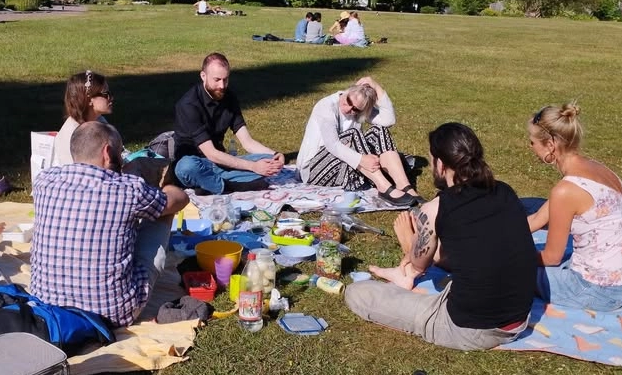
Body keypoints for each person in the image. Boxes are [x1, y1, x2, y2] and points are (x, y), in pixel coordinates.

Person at [344, 123, 536, 351]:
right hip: (518, 317)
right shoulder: (504, 191)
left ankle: (403, 285)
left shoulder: (435, 209)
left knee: (358, 293)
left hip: (471, 328)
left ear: (441, 164)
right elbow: (473, 251)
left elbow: (419, 264)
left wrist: (408, 239)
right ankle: (403, 280)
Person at [31, 121, 189, 328]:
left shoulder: (44, 181)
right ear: (107, 152)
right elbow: (179, 200)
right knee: (161, 215)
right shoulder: (128, 190)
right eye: (120, 152)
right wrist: (169, 184)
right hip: (110, 313)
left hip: (44, 308)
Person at [527, 102, 622, 310]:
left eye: (533, 142)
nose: (530, 147)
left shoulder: (566, 191)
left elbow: (552, 257)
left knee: (504, 270)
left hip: (598, 291)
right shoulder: (596, 169)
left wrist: (510, 256)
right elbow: (537, 219)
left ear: (550, 145)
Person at [296, 77, 421, 206]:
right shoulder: (326, 106)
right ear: (347, 91)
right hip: (312, 170)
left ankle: (404, 186)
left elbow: (388, 120)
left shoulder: (359, 110)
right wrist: (361, 159)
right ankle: (384, 187)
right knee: (353, 134)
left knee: (379, 130)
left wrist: (376, 86)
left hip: (342, 163)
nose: (349, 109)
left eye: (355, 109)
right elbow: (333, 145)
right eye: (348, 101)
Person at [172, 52, 284, 194]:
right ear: (203, 76)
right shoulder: (188, 105)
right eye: (217, 80)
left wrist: (274, 154)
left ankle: (210, 184)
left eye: (226, 79)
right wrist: (252, 167)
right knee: (187, 167)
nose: (222, 85)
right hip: (195, 162)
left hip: (220, 162)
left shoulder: (229, 97)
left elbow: (247, 141)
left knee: (269, 162)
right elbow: (210, 153)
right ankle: (230, 187)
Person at [52, 70, 114, 167]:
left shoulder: (98, 120)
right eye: (106, 94)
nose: (111, 97)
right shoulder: (72, 136)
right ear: (89, 99)